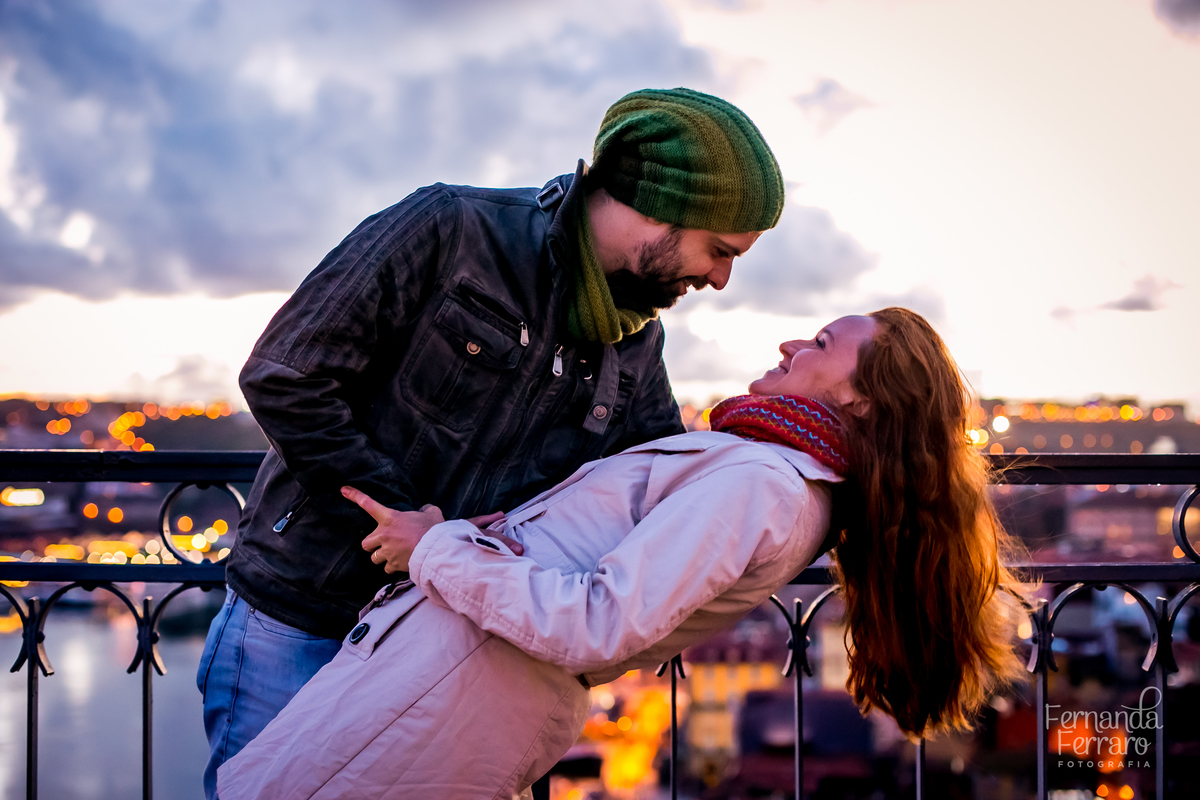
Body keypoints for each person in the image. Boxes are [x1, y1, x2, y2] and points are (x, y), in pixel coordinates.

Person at [196, 86, 784, 798]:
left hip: (442, 660)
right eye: (719, 250)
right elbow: (287, 376)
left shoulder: (638, 339)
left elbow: (652, 489)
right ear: (662, 206)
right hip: (301, 620)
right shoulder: (449, 228)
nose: (720, 279)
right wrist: (415, 531)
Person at [216, 308, 1026, 800]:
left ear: (863, 399)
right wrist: (500, 535)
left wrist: (435, 546)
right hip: (447, 688)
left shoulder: (767, 486)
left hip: (438, 697)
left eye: (819, 342)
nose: (790, 343)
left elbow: (597, 623)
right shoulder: (774, 473)